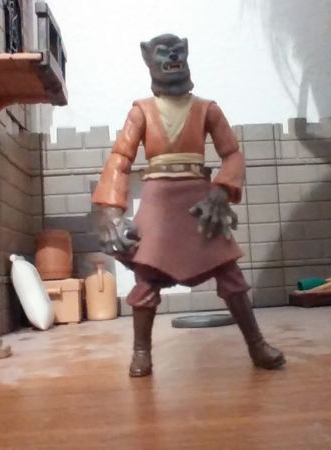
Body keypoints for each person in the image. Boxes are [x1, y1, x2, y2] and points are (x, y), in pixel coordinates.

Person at [92, 34, 285, 377]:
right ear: (148, 58)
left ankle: (256, 345)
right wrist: (111, 211)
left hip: (200, 201)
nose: (173, 57)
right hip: (157, 200)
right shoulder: (142, 111)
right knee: (147, 278)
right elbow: (120, 158)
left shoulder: (206, 109)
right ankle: (141, 352)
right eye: (163, 52)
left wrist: (221, 191)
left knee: (230, 274)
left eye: (178, 51)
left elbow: (232, 154)